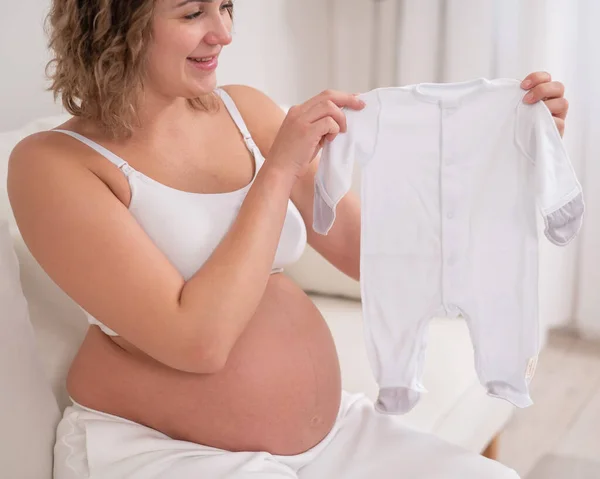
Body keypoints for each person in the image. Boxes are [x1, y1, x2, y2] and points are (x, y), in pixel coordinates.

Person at [7, 1, 570, 477]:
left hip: (332, 438)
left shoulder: (243, 110)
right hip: (161, 450)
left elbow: (374, 255)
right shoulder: (52, 165)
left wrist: (510, 152)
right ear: (112, 23)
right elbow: (197, 342)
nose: (223, 32)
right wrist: (276, 172)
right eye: (193, 12)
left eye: (226, 6)